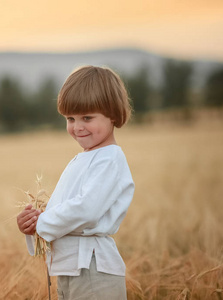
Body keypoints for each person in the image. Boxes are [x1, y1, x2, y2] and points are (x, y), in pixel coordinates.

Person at [17, 65, 135, 300]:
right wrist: (32, 226)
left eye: (87, 118)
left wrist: (43, 223)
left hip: (93, 270)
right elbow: (65, 212)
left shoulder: (109, 158)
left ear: (112, 114)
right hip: (71, 268)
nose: (77, 127)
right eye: (70, 118)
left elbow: (87, 210)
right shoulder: (85, 158)